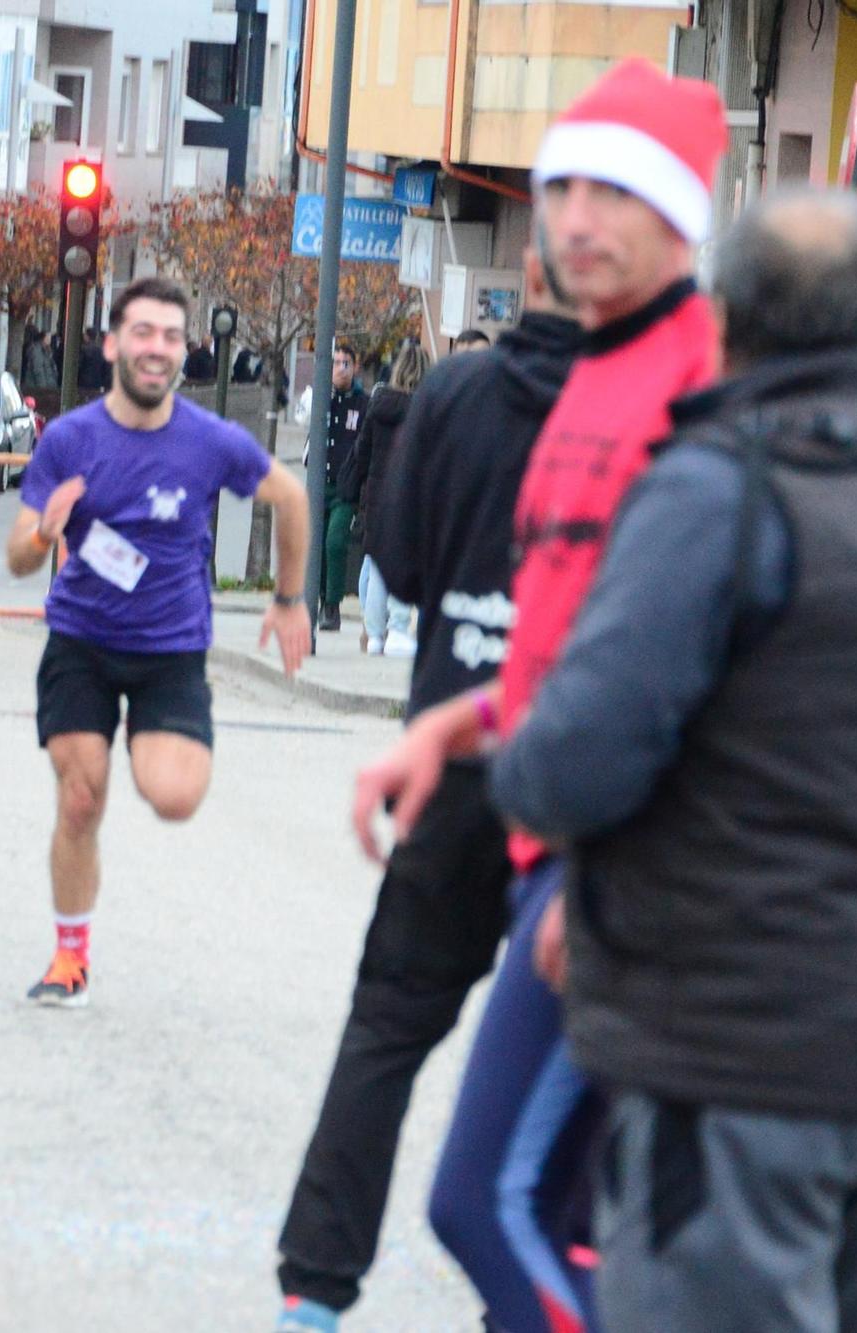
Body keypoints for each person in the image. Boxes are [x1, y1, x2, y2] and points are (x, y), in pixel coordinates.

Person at [494, 186, 857, 1333]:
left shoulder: (718, 487)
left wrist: (509, 744)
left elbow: (570, 767)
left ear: (723, 320)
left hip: (735, 1057)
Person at [347, 58, 726, 1333]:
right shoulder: (593, 374)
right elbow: (573, 639)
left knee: (484, 1205)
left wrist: (604, 867)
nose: (573, 220)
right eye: (560, 185)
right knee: (563, 1215)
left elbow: (690, 661)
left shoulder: (701, 391)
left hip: (623, 862)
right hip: (536, 830)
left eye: (612, 193)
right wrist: (454, 726)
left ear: (682, 217)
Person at [273, 253, 579, 1333]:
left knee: (387, 1027)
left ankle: (314, 1287)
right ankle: (546, 1287)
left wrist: (471, 599)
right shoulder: (653, 408)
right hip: (585, 783)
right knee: (579, 1057)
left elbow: (395, 566)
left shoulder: (455, 392)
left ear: (529, 271)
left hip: (449, 765)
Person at [5, 277, 312, 1007]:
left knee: (173, 796)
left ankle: (152, 748)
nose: (157, 349)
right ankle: (69, 955)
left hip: (170, 650)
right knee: (81, 798)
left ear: (184, 352)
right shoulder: (72, 439)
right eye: (144, 333)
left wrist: (290, 598)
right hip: (79, 640)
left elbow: (291, 497)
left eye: (172, 337)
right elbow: (18, 556)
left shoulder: (209, 441)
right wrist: (46, 530)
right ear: (113, 344)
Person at [343, 346, 430, 655]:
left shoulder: (378, 406)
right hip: (410, 495)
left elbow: (362, 452)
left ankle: (375, 634)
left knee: (378, 564)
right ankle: (398, 628)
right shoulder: (425, 409)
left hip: (377, 495)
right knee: (405, 562)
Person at [317, 340, 370, 633]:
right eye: (335, 363)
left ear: (355, 366)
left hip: (345, 487)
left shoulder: (362, 403)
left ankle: (331, 605)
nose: (340, 368)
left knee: (335, 541)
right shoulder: (322, 398)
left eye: (345, 363)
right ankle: (318, 596)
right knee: (318, 544)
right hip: (319, 483)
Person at [24, 326, 59, 391]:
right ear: (43, 338)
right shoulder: (36, 350)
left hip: (49, 385)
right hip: (39, 387)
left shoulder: (47, 350)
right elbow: (38, 369)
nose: (50, 339)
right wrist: (42, 388)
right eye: (48, 337)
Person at [78, 327, 111, 393]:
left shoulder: (83, 349)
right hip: (97, 382)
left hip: (83, 382)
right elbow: (105, 368)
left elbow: (79, 365)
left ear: (87, 336)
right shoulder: (101, 350)